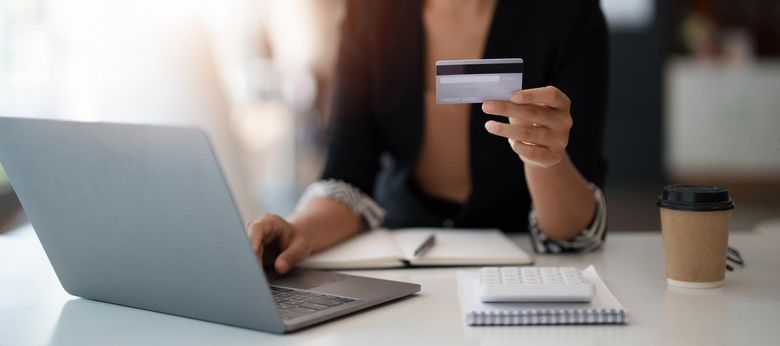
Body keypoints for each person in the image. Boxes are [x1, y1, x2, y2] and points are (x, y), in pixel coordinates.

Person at [248, 0, 609, 274]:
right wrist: (298, 230)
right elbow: (347, 177)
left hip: (523, 266)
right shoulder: (371, 11)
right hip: (403, 260)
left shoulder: (568, 12)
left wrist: (543, 157)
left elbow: (573, 231)